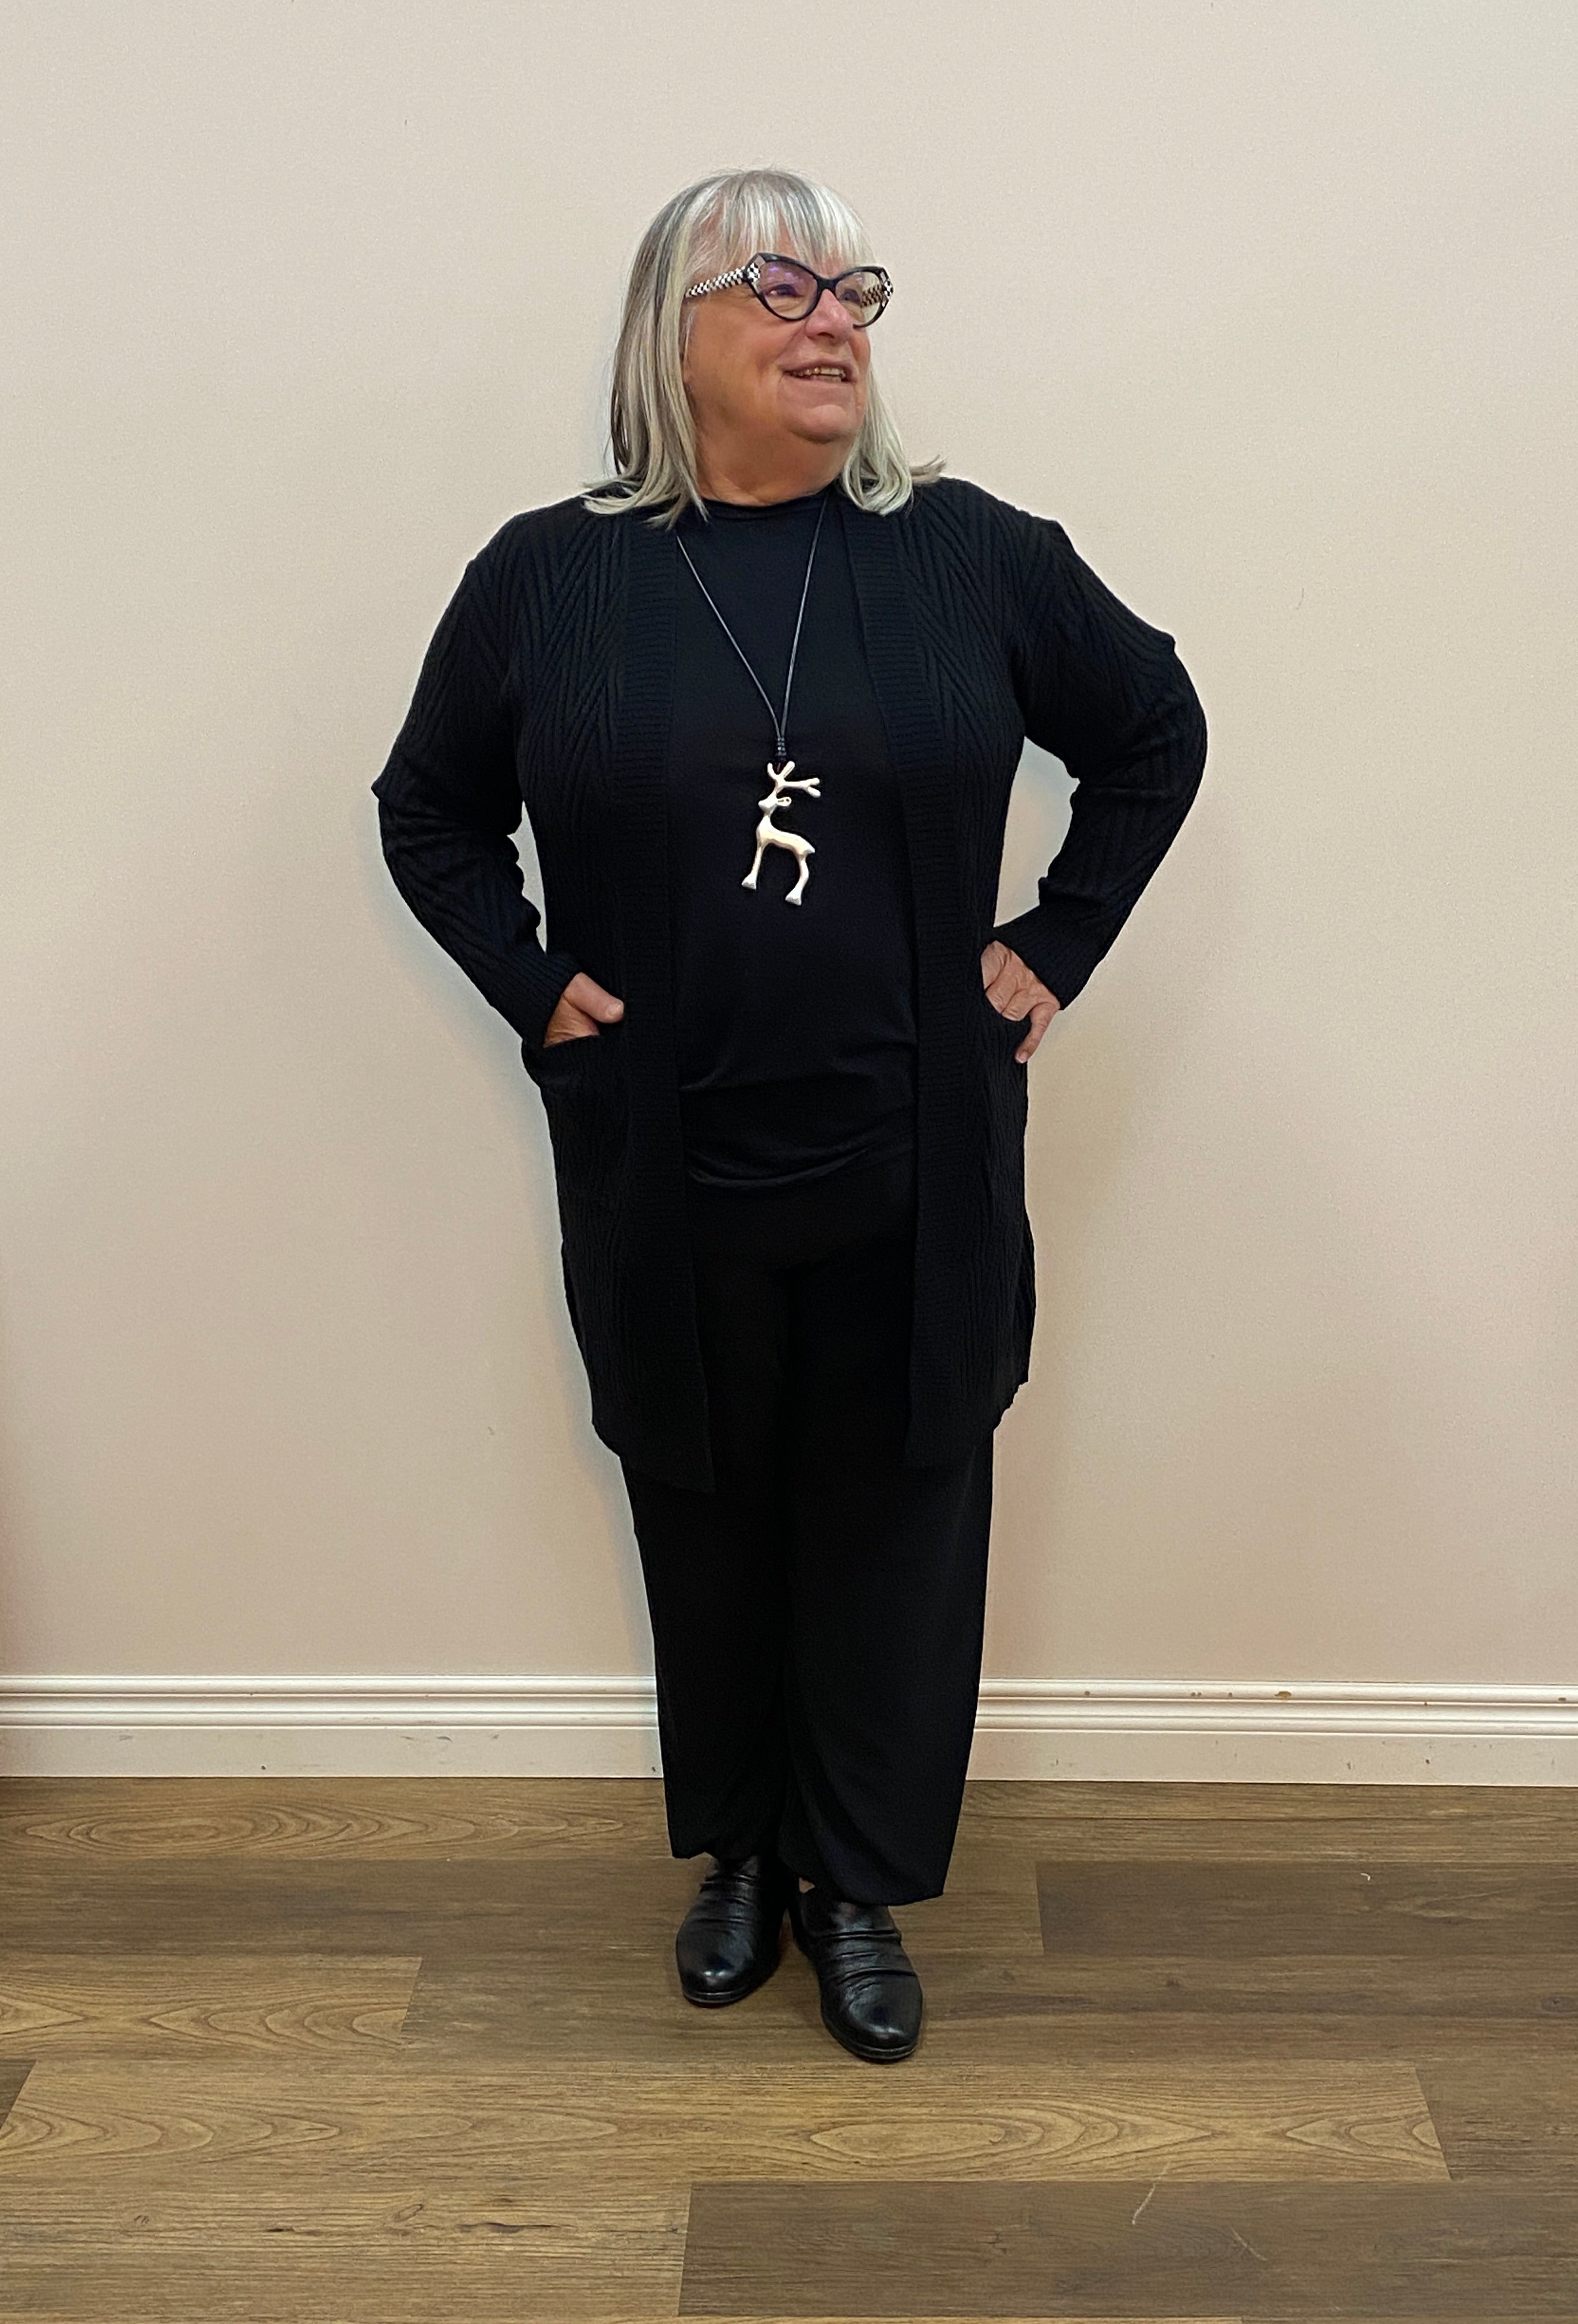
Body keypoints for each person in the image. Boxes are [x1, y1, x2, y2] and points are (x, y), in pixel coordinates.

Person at [372, 166, 1207, 2063]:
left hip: (912, 1167)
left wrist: (1054, 941)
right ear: (672, 332)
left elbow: (1155, 728)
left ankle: (855, 1884)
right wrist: (532, 985)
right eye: (781, 284)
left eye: (856, 291)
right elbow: (426, 808)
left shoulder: (969, 557)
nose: (834, 319)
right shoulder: (551, 577)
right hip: (668, 1165)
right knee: (706, 1508)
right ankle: (738, 1851)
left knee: (900, 1521)